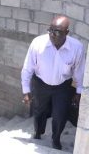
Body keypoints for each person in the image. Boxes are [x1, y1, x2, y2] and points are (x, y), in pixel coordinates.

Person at [21, 16, 85, 150]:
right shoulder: (38, 43)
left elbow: (79, 71)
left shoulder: (76, 48)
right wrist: (26, 90)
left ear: (66, 33)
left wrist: (79, 92)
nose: (51, 35)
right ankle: (38, 132)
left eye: (56, 32)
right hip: (40, 84)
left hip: (63, 86)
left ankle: (55, 139)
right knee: (39, 111)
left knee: (60, 115)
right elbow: (28, 67)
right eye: (50, 30)